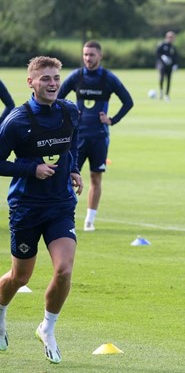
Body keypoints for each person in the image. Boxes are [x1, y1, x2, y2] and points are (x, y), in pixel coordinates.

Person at [0, 56, 82, 364]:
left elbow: (71, 143)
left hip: (60, 205)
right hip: (26, 208)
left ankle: (47, 327)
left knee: (64, 270)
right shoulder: (17, 120)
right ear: (31, 82)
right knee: (20, 277)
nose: (53, 83)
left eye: (56, 78)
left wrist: (72, 169)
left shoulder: (69, 111)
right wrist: (31, 168)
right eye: (45, 78)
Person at [58, 40, 133, 232]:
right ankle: (66, 218)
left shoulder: (108, 78)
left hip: (99, 136)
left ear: (100, 56)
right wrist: (71, 113)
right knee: (67, 177)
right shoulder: (77, 76)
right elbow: (56, 97)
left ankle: (89, 220)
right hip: (77, 137)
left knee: (95, 178)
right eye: (85, 55)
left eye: (91, 55)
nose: (87, 58)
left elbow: (128, 101)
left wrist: (112, 120)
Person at [156, 31, 179, 101]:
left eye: (172, 37)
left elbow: (175, 56)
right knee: (162, 79)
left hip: (170, 66)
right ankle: (161, 92)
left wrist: (175, 64)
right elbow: (157, 53)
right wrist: (162, 57)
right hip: (162, 65)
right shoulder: (162, 44)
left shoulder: (173, 46)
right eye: (170, 37)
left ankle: (167, 94)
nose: (171, 39)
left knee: (169, 80)